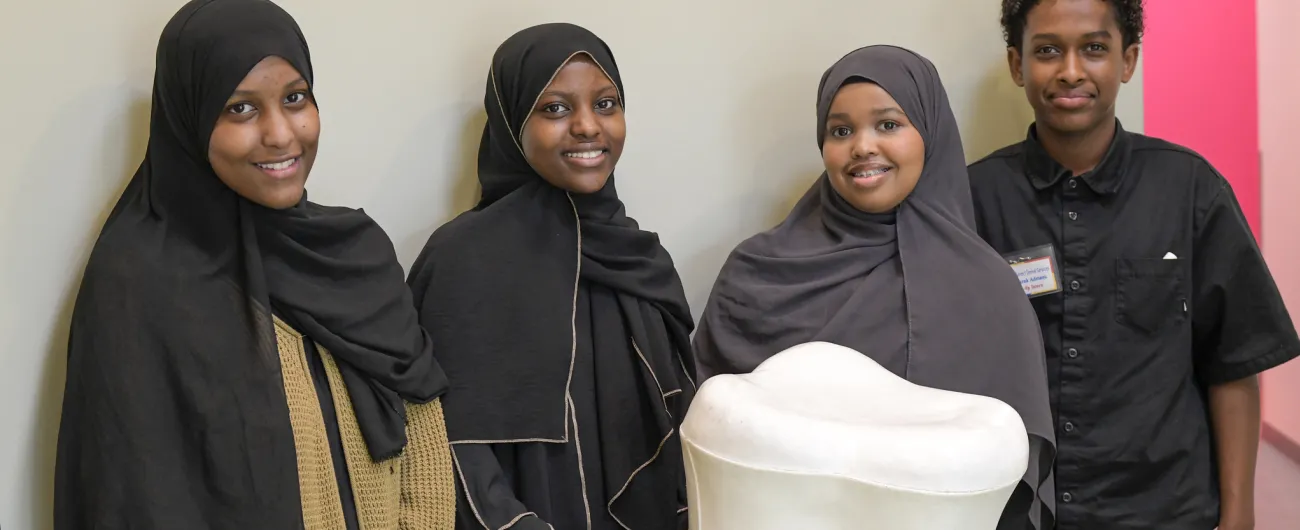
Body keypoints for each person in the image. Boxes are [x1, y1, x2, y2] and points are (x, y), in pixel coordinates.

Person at [53, 1, 456, 528]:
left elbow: (420, 416)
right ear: (189, 120)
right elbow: (130, 494)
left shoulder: (356, 252)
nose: (282, 135)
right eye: (240, 108)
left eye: (295, 98)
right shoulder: (138, 283)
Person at [692, 45, 1056, 530]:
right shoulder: (757, 272)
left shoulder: (987, 290)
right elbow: (710, 439)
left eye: (888, 124)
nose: (862, 146)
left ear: (929, 133)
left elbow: (1008, 476)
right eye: (841, 130)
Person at [968, 1, 1300, 528]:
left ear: (1128, 61)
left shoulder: (1191, 190)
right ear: (1017, 64)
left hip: (1163, 510)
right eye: (1048, 50)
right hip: (1023, 511)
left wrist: (1240, 513)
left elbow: (1234, 366)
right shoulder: (975, 201)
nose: (1071, 70)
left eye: (1094, 48)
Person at [406, 23, 696, 530]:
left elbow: (680, 419)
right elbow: (441, 438)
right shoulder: (463, 258)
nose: (587, 126)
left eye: (605, 104)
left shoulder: (642, 257)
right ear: (511, 122)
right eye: (555, 108)